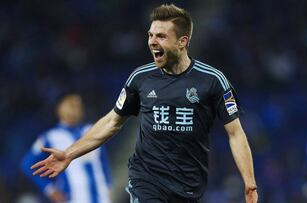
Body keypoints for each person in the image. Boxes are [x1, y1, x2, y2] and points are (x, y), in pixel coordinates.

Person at [31, 4, 258, 203]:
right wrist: (70, 153)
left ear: (183, 41)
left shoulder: (212, 81)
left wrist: (249, 182)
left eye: (160, 36)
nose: (151, 42)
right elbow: (112, 121)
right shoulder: (141, 78)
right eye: (150, 35)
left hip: (189, 186)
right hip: (146, 179)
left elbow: (235, 134)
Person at [21, 94, 112, 203]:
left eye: (78, 105)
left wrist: (108, 185)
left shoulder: (92, 130)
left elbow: (103, 162)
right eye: (71, 104)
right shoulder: (50, 137)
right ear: (59, 109)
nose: (76, 108)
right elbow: (27, 164)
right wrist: (49, 189)